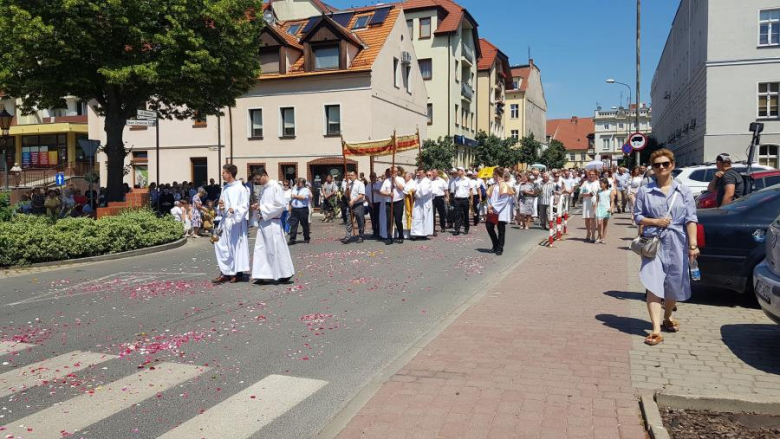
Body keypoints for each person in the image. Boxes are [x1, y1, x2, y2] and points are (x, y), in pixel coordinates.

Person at [634, 148, 699, 346]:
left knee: (673, 285)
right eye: (656, 165)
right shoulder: (645, 190)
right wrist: (655, 222)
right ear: (652, 168)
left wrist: (693, 245)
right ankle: (655, 329)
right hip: (654, 243)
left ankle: (667, 316)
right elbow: (637, 216)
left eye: (665, 164)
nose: (661, 167)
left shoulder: (683, 190)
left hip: (678, 242)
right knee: (653, 284)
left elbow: (691, 219)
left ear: (672, 165)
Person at [249, 169, 295, 284]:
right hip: (264, 222)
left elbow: (280, 205)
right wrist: (258, 206)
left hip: (273, 223)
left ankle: (284, 273)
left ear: (264, 175)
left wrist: (262, 208)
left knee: (275, 249)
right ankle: (262, 274)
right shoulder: (264, 189)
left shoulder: (275, 187)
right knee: (262, 249)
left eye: (259, 179)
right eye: (256, 180)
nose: (258, 182)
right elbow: (266, 203)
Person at [213, 164, 251, 284]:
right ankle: (225, 271)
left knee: (235, 247)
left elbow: (245, 205)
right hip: (225, 221)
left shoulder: (241, 188)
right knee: (220, 244)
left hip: (236, 222)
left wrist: (234, 209)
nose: (222, 175)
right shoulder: (225, 188)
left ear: (230, 173)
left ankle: (237, 273)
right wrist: (221, 207)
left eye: (224, 173)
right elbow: (222, 204)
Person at [486, 168, 515, 256]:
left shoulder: (504, 185)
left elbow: (504, 199)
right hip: (492, 210)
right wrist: (489, 207)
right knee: (489, 227)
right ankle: (495, 245)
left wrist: (493, 206)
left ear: (497, 175)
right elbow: (489, 197)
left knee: (501, 230)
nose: (492, 176)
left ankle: (500, 248)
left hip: (501, 211)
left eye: (494, 174)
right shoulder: (493, 185)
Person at [380, 166, 405, 244]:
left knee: (398, 220)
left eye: (394, 171)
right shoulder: (386, 181)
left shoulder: (401, 179)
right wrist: (388, 194)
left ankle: (401, 236)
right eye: (391, 172)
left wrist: (394, 180)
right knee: (389, 221)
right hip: (389, 203)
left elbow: (401, 188)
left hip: (398, 202)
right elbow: (381, 191)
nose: (392, 173)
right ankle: (389, 237)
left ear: (397, 172)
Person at [342, 171, 366, 244]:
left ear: (355, 175)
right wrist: (347, 188)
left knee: (360, 221)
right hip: (350, 205)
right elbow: (345, 195)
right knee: (349, 220)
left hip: (358, 204)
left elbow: (361, 194)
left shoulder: (360, 184)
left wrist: (354, 201)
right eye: (349, 175)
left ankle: (361, 236)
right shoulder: (348, 184)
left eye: (351, 175)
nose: (350, 176)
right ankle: (347, 237)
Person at [287, 178, 312, 245]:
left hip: (303, 209)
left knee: (304, 224)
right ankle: (292, 239)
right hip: (294, 209)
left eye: (299, 182)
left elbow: (303, 197)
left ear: (303, 183)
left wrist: (295, 196)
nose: (297, 183)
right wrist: (290, 207)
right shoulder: (294, 190)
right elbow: (291, 198)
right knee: (293, 224)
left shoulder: (306, 190)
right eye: (297, 182)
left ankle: (306, 238)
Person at [411, 168, 433, 240]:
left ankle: (424, 234)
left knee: (425, 217)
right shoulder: (416, 181)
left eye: (420, 173)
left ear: (424, 173)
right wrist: (414, 192)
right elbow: (412, 188)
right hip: (418, 201)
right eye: (418, 173)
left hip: (425, 202)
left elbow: (424, 191)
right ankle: (416, 233)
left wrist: (415, 192)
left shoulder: (427, 181)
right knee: (416, 217)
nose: (418, 174)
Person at [450, 167, 472, 235]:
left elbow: (471, 191)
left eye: (458, 170)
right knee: (457, 215)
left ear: (462, 171)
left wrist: (471, 200)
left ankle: (466, 228)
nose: (457, 172)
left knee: (466, 215)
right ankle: (457, 230)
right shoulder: (456, 180)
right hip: (457, 199)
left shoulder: (468, 180)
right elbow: (454, 191)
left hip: (465, 199)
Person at [580, 170, 600, 243]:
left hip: (594, 202)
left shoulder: (598, 183)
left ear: (595, 175)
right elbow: (581, 193)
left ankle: (593, 235)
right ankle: (588, 233)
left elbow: (600, 193)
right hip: (586, 202)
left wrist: (598, 202)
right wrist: (588, 194)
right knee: (587, 219)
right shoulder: (585, 182)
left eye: (593, 174)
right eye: (590, 174)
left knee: (593, 218)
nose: (591, 176)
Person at [430, 169, 448, 236]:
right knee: (433, 214)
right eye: (432, 172)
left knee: (441, 213)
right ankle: (433, 229)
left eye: (433, 172)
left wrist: (447, 198)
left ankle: (443, 227)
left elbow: (445, 190)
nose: (432, 173)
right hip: (432, 198)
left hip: (440, 197)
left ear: (437, 173)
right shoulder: (430, 181)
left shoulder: (442, 181)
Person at [595, 178, 613, 244]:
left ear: (605, 184)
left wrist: (611, 208)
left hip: (607, 209)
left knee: (605, 224)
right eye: (600, 183)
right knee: (599, 223)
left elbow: (612, 201)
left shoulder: (609, 191)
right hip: (600, 208)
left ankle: (603, 238)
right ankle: (599, 236)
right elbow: (596, 201)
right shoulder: (598, 192)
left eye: (601, 183)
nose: (600, 184)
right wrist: (595, 209)